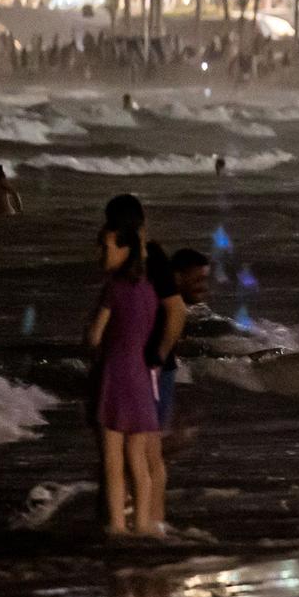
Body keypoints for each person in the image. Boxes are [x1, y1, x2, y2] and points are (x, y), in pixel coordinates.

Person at [87, 221, 162, 536]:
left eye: (107, 247)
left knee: (113, 458)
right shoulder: (149, 288)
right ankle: (143, 524)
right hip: (142, 376)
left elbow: (94, 335)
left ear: (126, 250)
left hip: (115, 374)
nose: (102, 253)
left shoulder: (113, 288)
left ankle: (117, 525)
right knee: (138, 458)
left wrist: (92, 348)